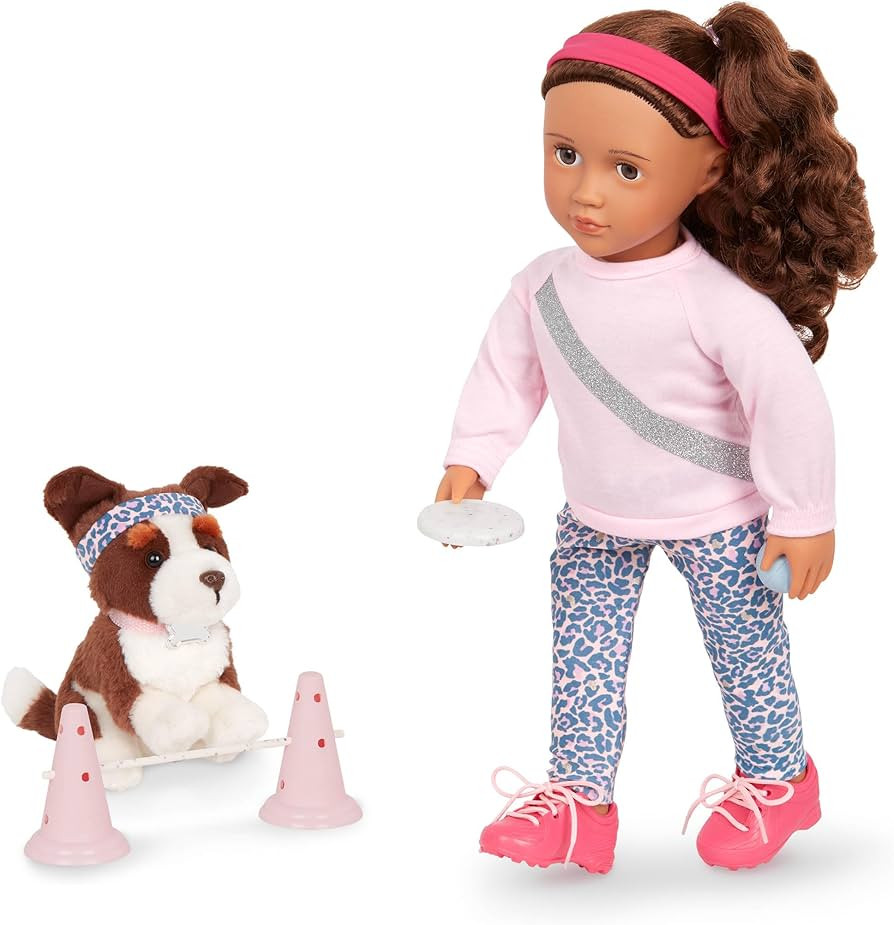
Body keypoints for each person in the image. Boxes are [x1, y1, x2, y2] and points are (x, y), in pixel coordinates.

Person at [434, 3, 875, 873]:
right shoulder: (541, 287)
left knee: (746, 652)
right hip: (596, 518)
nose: (586, 192)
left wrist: (804, 514)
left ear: (709, 168)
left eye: (626, 168)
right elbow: (505, 375)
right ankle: (580, 803)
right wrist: (471, 458)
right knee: (582, 662)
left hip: (722, 515)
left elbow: (790, 402)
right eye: (565, 154)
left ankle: (781, 778)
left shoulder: (716, 300)